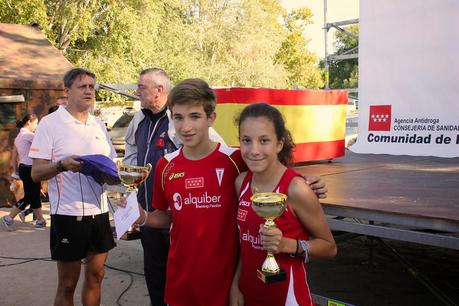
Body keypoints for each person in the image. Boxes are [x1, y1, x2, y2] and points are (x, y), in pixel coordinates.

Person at [128, 79, 328, 306]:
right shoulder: (166, 165)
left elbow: (270, 175)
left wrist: (306, 182)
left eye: (195, 116)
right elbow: (168, 216)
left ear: (211, 118)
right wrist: (141, 216)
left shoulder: (234, 161)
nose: (186, 127)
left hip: (225, 285)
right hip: (181, 282)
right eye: (178, 117)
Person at [123, 68, 226, 306]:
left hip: (182, 219)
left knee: (185, 276)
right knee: (155, 275)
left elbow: (216, 149)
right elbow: (131, 153)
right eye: (138, 87)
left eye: (141, 87)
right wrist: (130, 186)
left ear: (159, 90)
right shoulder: (138, 120)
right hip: (151, 213)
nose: (137, 91)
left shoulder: (181, 118)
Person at [230, 103, 337, 306]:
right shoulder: (240, 182)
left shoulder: (296, 188)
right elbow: (244, 244)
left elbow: (329, 247)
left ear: (279, 144)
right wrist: (236, 284)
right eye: (246, 140)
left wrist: (290, 245)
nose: (254, 150)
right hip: (249, 293)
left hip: (288, 297)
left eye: (264, 141)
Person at [30, 68, 116, 306]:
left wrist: (115, 175)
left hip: (99, 213)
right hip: (67, 213)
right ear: (67, 91)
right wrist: (62, 164)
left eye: (91, 86)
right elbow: (36, 173)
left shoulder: (99, 125)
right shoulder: (50, 124)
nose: (89, 90)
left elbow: (110, 164)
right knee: (68, 283)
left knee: (97, 276)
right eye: (82, 86)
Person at [1, 114, 47, 231]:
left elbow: (15, 155)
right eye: (36, 123)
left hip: (24, 168)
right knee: (30, 196)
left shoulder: (19, 137)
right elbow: (44, 145)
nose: (36, 126)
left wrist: (16, 171)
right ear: (29, 122)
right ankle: (9, 218)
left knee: (34, 194)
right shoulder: (28, 136)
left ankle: (40, 220)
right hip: (30, 168)